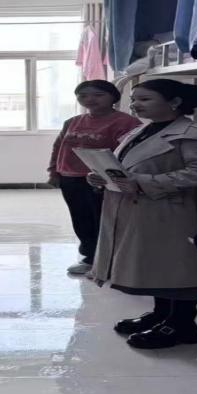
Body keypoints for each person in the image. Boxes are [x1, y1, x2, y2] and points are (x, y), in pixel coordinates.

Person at [89, 78, 197, 349]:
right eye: (134, 100)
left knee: (179, 268)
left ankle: (182, 325)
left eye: (145, 99)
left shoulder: (195, 134)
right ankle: (161, 314)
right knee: (157, 265)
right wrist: (103, 177)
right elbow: (127, 167)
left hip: (178, 212)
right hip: (143, 209)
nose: (135, 105)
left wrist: (145, 182)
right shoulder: (141, 131)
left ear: (174, 102)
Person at [47, 80, 142, 275]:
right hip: (70, 177)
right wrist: (53, 172)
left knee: (105, 220)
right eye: (83, 96)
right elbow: (58, 147)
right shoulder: (73, 121)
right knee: (81, 219)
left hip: (104, 180)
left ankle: (111, 260)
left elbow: (130, 154)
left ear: (113, 97)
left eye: (98, 95)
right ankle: (90, 257)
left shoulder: (127, 123)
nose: (90, 99)